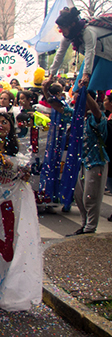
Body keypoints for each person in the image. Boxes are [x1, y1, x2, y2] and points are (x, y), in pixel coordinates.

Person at [68, 91, 108, 236]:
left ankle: (90, 228)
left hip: (96, 161)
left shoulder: (96, 118)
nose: (75, 103)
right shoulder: (79, 119)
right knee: (79, 195)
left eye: (80, 100)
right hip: (83, 162)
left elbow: (97, 111)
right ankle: (84, 225)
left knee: (90, 197)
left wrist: (86, 91)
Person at [48, 7, 112, 89]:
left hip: (107, 56)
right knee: (77, 90)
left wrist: (86, 74)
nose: (61, 31)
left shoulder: (87, 31)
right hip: (96, 55)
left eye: (63, 28)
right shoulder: (69, 36)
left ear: (72, 25)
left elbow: (90, 51)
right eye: (60, 28)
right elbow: (60, 53)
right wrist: (51, 75)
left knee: (92, 87)